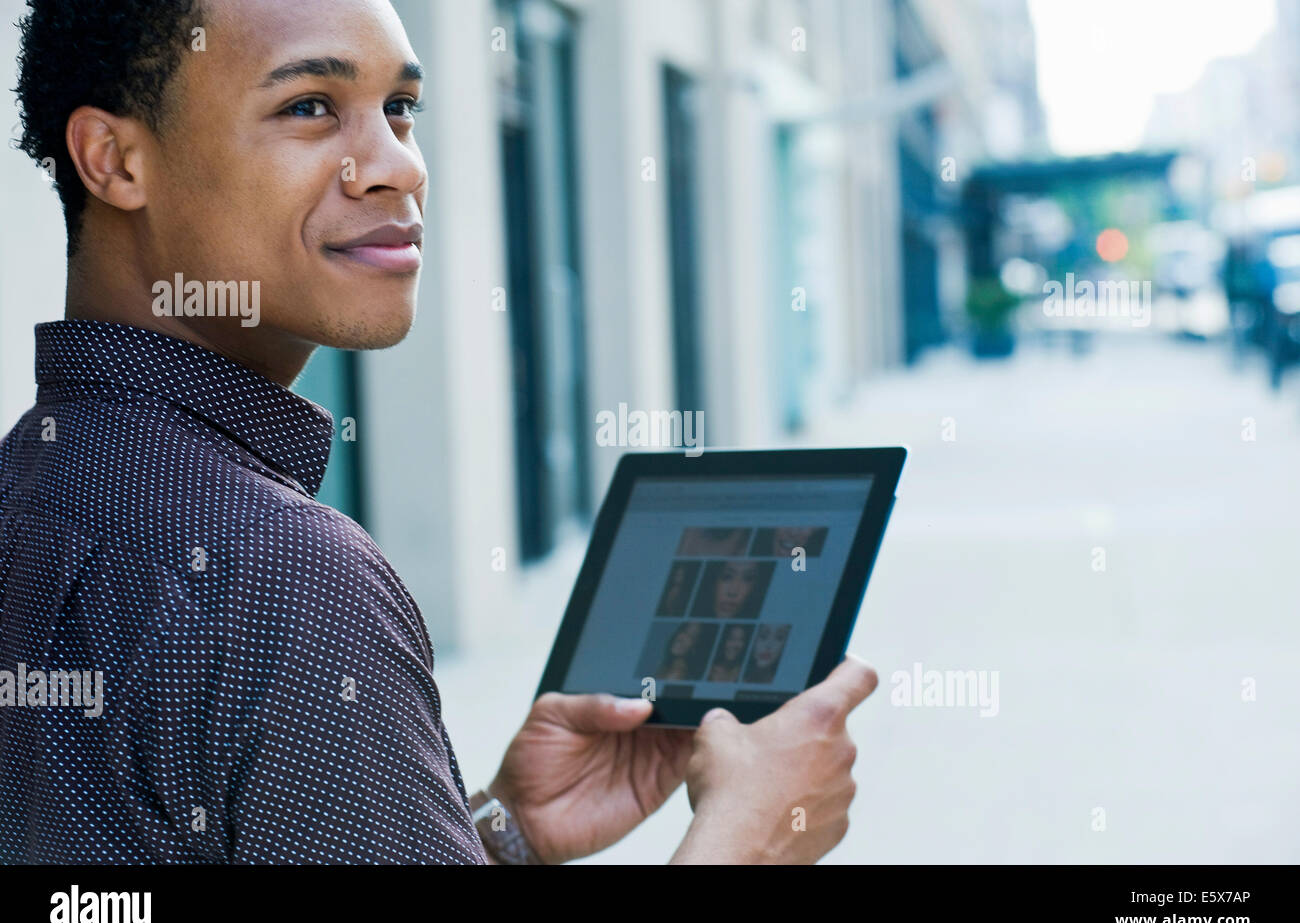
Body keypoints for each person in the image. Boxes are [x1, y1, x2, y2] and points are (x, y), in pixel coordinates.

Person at [0, 0, 878, 865]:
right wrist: (751, 833)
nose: (398, 167)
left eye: (401, 109)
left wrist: (501, 828)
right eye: (309, 106)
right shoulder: (281, 577)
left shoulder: (32, 479)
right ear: (113, 160)